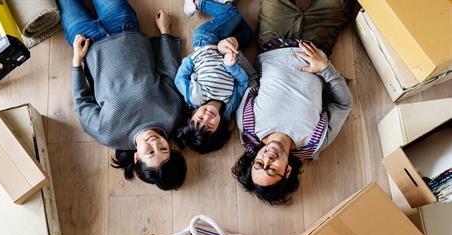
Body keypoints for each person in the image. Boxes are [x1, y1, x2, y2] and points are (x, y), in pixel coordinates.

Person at [232, 0, 355, 204]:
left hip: (274, 41)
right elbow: (343, 105)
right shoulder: (315, 142)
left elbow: (252, 81)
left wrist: (234, 57)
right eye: (272, 169)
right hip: (318, 45)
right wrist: (325, 69)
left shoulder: (248, 126)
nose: (268, 159)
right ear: (287, 171)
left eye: (259, 164)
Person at [57, 0, 187, 190]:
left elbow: (82, 102)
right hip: (124, 26)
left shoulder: (108, 134)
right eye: (164, 148)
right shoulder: (171, 113)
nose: (155, 143)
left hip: (86, 43)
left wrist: (76, 60)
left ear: (136, 157)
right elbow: (169, 70)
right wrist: (165, 32)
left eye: (150, 152)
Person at [174, 0, 257, 154]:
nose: (207, 117)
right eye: (210, 125)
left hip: (205, 41)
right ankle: (226, 4)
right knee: (248, 34)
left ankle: (198, 3)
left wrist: (193, 57)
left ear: (193, 114)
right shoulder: (230, 105)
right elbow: (243, 82)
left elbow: (180, 78)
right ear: (219, 127)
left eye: (199, 119)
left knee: (232, 14)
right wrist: (231, 66)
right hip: (227, 53)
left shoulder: (194, 97)